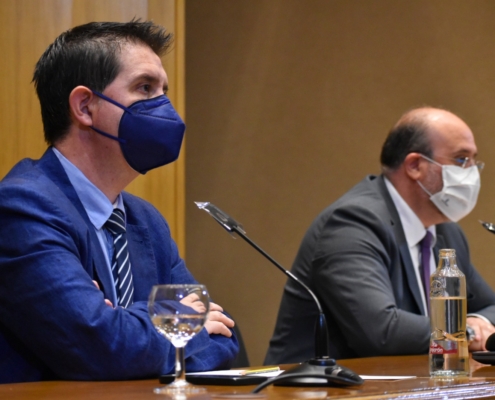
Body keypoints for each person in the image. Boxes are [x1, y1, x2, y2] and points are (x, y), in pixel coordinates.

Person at [0, 20, 238, 383]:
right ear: (84, 107)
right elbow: (99, 347)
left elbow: (223, 340)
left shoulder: (146, 221)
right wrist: (172, 326)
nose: (165, 106)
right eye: (145, 88)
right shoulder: (23, 207)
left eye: (164, 90)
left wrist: (129, 326)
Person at [265, 107, 495, 364]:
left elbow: (491, 307)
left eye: (474, 161)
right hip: (315, 391)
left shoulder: (445, 231)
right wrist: (468, 332)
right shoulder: (353, 223)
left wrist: (479, 321)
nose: (472, 173)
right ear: (415, 166)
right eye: (462, 160)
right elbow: (381, 331)